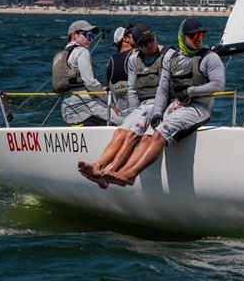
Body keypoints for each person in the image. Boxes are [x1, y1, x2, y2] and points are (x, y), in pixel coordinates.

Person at [104, 19, 225, 187]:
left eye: (201, 35)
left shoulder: (210, 58)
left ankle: (130, 174)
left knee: (160, 133)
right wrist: (158, 113)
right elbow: (163, 89)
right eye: (193, 35)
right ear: (183, 37)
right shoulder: (174, 59)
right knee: (147, 134)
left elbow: (218, 85)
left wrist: (190, 91)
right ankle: (120, 173)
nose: (198, 38)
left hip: (198, 108)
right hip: (175, 106)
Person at [78, 24, 173, 188]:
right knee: (121, 131)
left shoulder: (169, 55)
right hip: (142, 106)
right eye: (143, 43)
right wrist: (134, 113)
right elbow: (132, 89)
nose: (149, 45)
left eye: (151, 40)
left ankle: (111, 172)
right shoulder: (134, 58)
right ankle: (98, 167)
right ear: (137, 45)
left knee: (132, 135)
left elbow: (170, 87)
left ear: (154, 36)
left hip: (161, 104)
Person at [53, 20, 122, 126]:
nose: (91, 39)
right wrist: (111, 103)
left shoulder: (59, 56)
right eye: (88, 35)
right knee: (124, 124)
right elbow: (90, 83)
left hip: (67, 112)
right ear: (74, 35)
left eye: (92, 36)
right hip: (86, 108)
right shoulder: (82, 51)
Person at [106, 24, 135, 112]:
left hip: (121, 111)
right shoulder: (135, 55)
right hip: (137, 110)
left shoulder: (110, 61)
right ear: (125, 39)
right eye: (134, 33)